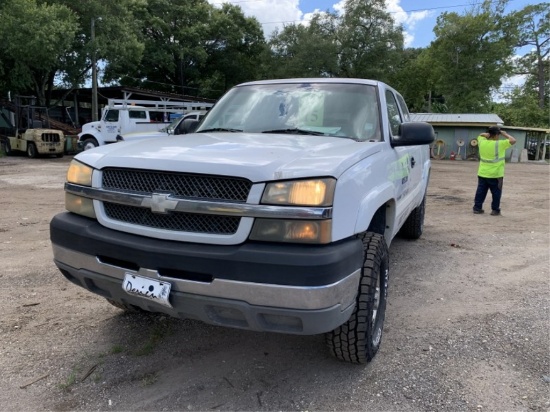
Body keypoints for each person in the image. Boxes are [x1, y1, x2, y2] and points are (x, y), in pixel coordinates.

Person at [473, 126, 516, 216]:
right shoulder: (499, 144)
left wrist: (488, 134)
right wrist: (505, 134)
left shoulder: (482, 141)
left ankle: (477, 208)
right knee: (496, 193)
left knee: (480, 191)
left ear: (489, 134)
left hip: (483, 172)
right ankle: (495, 210)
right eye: (498, 134)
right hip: (496, 174)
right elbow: (513, 140)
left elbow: (480, 135)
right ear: (497, 134)